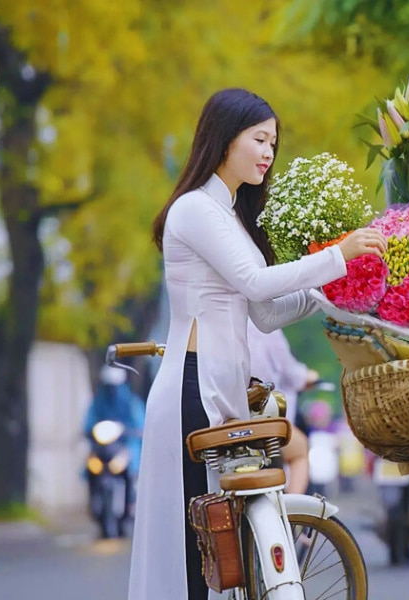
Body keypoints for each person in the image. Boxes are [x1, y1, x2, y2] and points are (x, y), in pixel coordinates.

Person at [127, 88, 387, 600]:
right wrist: (338, 254)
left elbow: (265, 313)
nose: (268, 152)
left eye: (273, 142)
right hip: (191, 390)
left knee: (219, 539)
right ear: (224, 139)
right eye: (259, 139)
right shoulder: (194, 209)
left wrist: (333, 294)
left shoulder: (233, 218)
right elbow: (255, 283)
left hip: (220, 390)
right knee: (192, 547)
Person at [246, 320, 316, 494]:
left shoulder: (206, 320)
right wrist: (309, 376)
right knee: (300, 449)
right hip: (257, 421)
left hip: (219, 417)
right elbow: (291, 374)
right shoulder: (262, 325)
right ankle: (292, 512)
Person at [84, 364, 145, 528]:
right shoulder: (98, 402)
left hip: (124, 445)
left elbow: (140, 423)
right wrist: (88, 431)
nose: (112, 390)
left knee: (131, 466)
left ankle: (130, 503)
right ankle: (92, 501)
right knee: (90, 466)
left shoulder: (131, 402)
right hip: (103, 446)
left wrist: (133, 431)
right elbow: (89, 422)